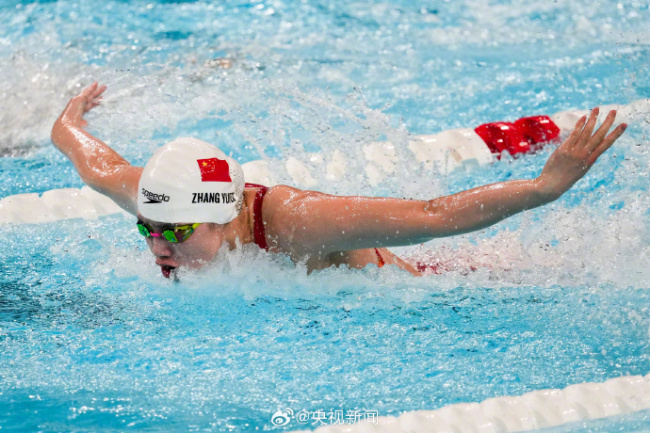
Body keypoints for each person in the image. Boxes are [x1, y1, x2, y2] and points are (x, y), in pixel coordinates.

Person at [51, 82, 627, 278]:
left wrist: (542, 189)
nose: (157, 245)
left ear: (225, 216)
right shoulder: (159, 196)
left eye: (175, 234)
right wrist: (70, 118)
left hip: (414, 283)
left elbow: (431, 216)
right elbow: (92, 162)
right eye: (147, 229)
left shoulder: (296, 222)